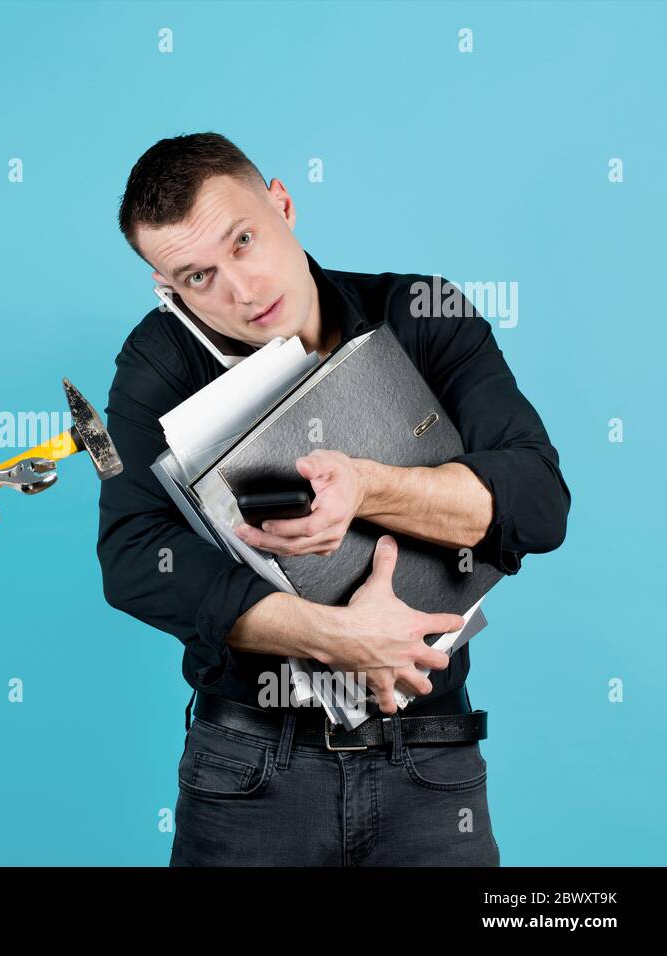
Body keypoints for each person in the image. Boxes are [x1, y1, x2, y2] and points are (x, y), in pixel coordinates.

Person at [98, 133, 571, 866]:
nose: (241, 290)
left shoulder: (423, 309)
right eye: (197, 277)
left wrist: (368, 487)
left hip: (431, 756)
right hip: (249, 768)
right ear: (167, 288)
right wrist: (331, 635)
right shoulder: (159, 358)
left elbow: (538, 503)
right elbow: (133, 558)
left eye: (245, 240)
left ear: (282, 202)